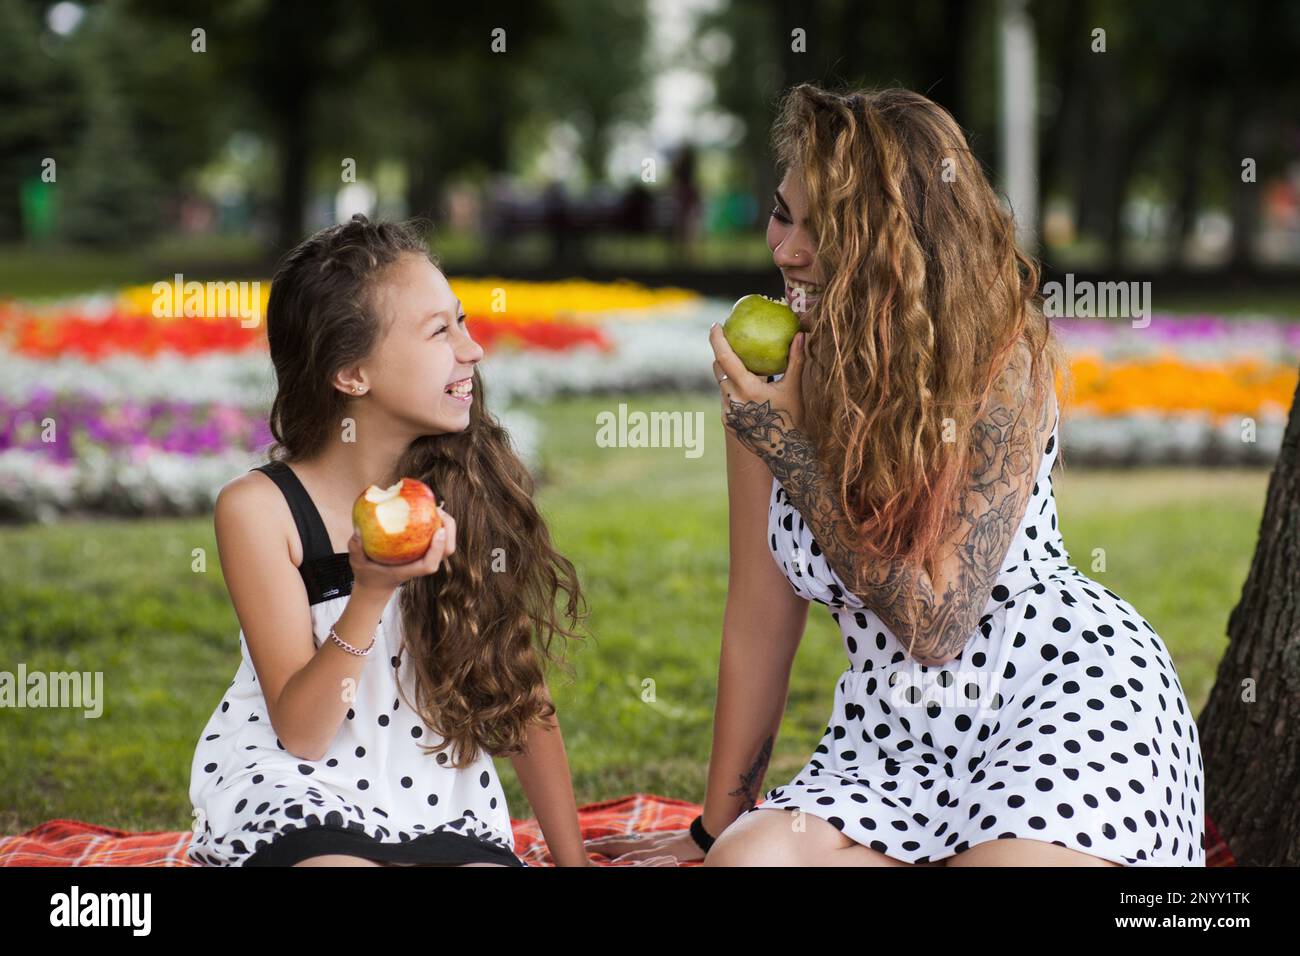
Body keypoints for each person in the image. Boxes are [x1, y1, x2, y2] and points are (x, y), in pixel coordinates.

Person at [592, 84, 1205, 867]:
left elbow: (937, 621)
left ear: (899, 243)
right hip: (890, 741)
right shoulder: (768, 379)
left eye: (827, 230)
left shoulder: (999, 363)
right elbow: (758, 615)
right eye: (783, 215)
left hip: (1058, 700)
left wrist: (786, 446)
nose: (785, 252)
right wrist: (715, 829)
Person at [188, 215, 592, 867]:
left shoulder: (469, 484)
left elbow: (521, 694)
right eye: (440, 331)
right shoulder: (262, 510)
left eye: (462, 321)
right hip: (300, 791)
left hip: (440, 797)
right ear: (352, 374)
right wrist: (371, 591)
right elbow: (303, 731)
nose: (472, 349)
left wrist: (574, 865)